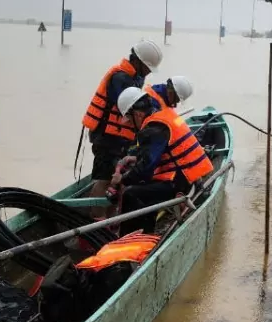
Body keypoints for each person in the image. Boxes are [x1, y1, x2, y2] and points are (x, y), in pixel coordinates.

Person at [108, 87, 214, 236]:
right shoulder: (162, 115)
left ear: (137, 114)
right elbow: (158, 151)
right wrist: (136, 157)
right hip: (190, 174)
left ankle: (126, 241)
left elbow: (145, 170)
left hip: (181, 182)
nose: (130, 125)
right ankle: (147, 233)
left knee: (131, 194)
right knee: (146, 188)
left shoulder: (153, 128)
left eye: (130, 120)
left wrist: (122, 180)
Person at [81, 40, 163, 204]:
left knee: (117, 179)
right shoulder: (120, 78)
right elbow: (132, 104)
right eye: (147, 68)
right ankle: (95, 218)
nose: (148, 72)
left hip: (119, 138)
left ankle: (110, 220)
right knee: (104, 179)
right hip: (106, 137)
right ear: (138, 62)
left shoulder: (132, 78)